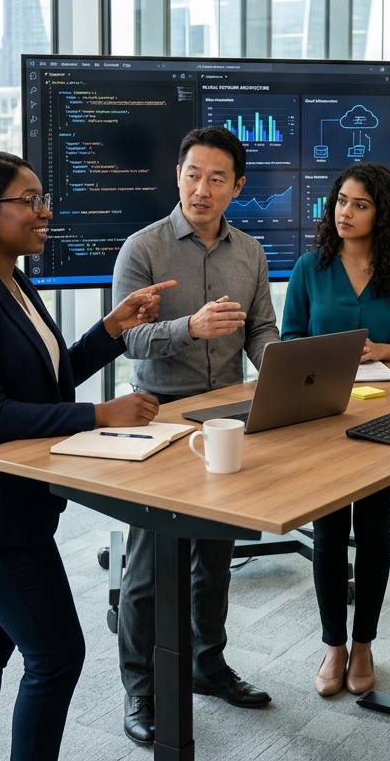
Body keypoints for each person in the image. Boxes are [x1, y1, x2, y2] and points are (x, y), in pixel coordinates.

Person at [0, 151, 174, 761]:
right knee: (57, 656)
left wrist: (110, 330)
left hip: (14, 497)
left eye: (42, 197)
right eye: (28, 201)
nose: (44, 211)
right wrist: (99, 416)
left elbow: (47, 379)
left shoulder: (10, 279)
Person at [111, 126, 280, 743]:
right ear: (176, 175)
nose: (200, 189)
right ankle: (141, 691)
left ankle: (208, 665)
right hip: (159, 414)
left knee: (214, 556)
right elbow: (124, 337)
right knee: (151, 565)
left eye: (215, 178)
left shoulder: (251, 252)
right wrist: (190, 327)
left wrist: (284, 371)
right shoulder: (143, 248)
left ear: (237, 187)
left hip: (229, 413)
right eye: (191, 174)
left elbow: (261, 329)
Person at [281, 162, 390, 698]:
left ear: (382, 213)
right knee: (327, 534)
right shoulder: (309, 267)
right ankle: (333, 645)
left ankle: (364, 643)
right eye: (341, 201)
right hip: (323, 417)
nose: (345, 212)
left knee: (373, 533)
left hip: (386, 417)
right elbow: (289, 341)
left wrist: (381, 350)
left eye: (360, 204)